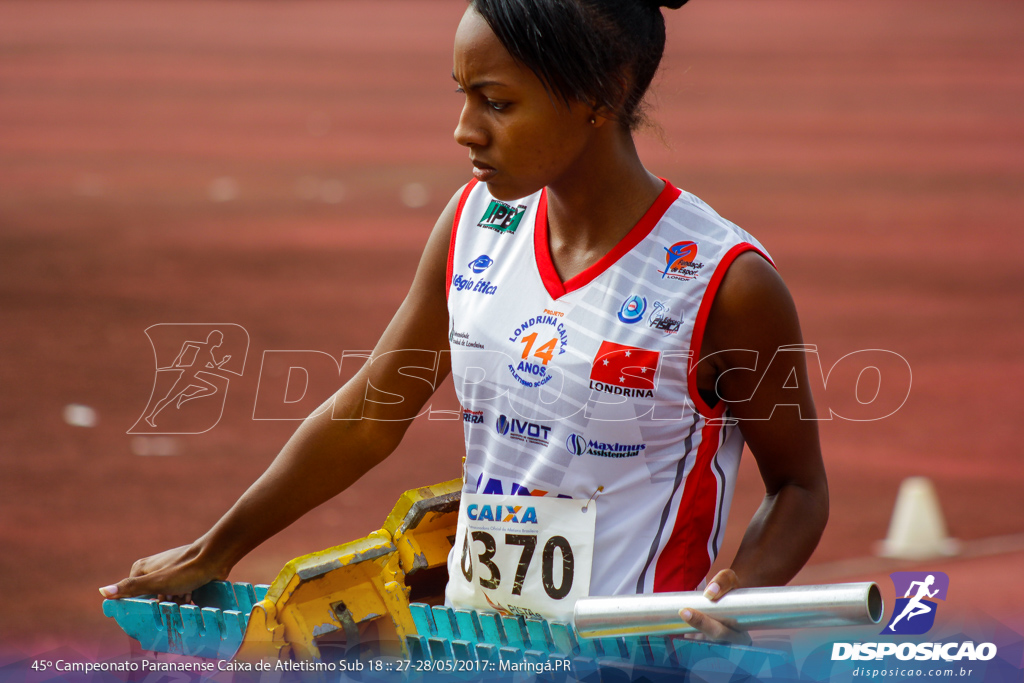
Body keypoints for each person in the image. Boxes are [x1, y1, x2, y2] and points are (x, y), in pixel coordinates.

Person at [102, 0, 828, 645]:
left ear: (598, 96)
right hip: (473, 645)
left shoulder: (724, 282)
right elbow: (368, 417)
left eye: (497, 103)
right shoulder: (476, 221)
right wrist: (214, 548)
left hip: (634, 658)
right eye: (462, 96)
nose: (463, 130)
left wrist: (742, 585)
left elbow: (799, 487)